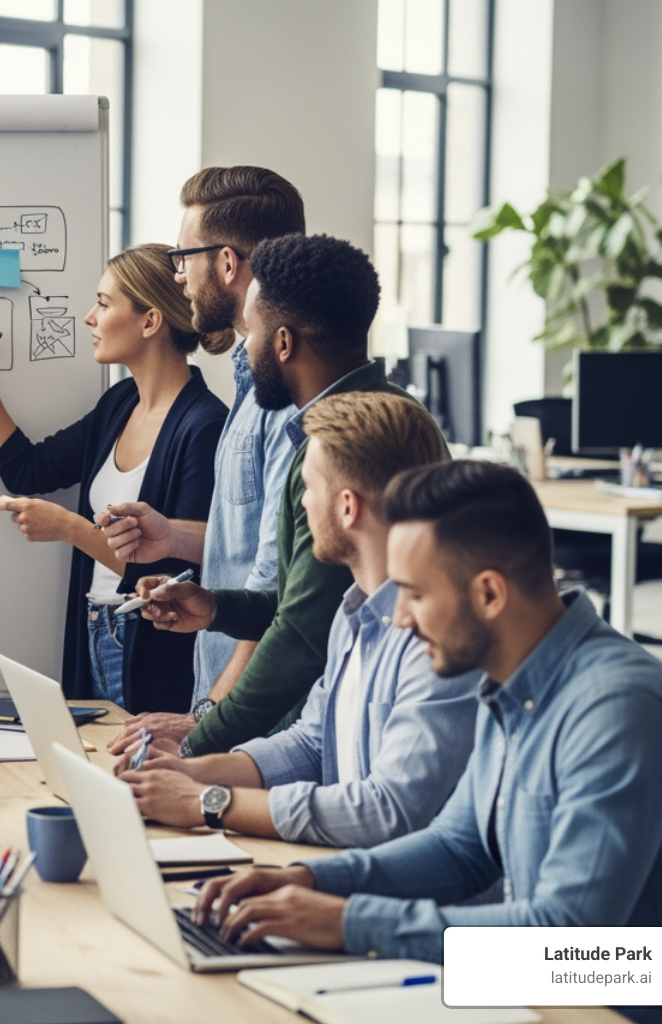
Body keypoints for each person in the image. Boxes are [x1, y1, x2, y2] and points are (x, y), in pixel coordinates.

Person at [194, 461, 662, 1024]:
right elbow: (459, 848)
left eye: (414, 594)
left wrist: (349, 923)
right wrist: (310, 880)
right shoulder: (512, 681)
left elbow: (567, 940)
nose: (400, 619)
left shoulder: (618, 710)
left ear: (489, 594)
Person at [118, 392, 478, 848]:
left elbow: (387, 811)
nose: (301, 505)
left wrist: (206, 800)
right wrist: (188, 772)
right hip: (345, 868)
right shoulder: (351, 613)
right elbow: (311, 743)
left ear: (347, 507)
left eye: (308, 487)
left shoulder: (437, 642)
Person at [118, 233, 423, 756]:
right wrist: (215, 607)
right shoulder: (345, 422)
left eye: (252, 332)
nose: (246, 351)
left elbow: (302, 632)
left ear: (283, 343)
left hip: (359, 741)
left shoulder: (352, 442)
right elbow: (298, 599)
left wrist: (196, 741)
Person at [0, 244, 227, 712]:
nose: (88, 317)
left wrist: (69, 528)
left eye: (103, 303)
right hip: (94, 630)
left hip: (150, 652)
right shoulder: (119, 404)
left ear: (150, 321)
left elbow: (178, 576)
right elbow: (26, 469)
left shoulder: (205, 425)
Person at [100, 167, 304, 750]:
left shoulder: (285, 399)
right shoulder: (249, 382)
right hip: (225, 711)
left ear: (228, 263)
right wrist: (173, 536)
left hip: (251, 727)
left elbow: (277, 592)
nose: (178, 274)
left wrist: (208, 717)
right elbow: (250, 542)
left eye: (183, 257)